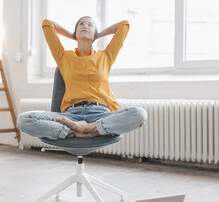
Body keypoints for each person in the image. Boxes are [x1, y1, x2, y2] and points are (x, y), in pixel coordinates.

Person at [17, 16, 147, 139]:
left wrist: (96, 35)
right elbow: (47, 24)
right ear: (75, 31)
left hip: (101, 113)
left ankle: (88, 128)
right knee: (24, 119)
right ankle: (77, 132)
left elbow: (123, 25)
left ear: (95, 33)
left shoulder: (106, 56)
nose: (85, 26)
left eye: (90, 25)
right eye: (81, 24)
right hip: (71, 114)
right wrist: (74, 36)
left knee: (139, 114)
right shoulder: (63, 57)